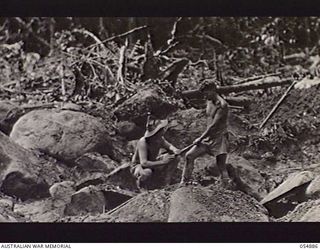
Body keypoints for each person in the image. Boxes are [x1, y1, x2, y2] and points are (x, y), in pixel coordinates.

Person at [180, 80, 233, 187]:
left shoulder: (222, 105)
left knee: (221, 165)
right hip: (207, 137)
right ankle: (184, 182)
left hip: (219, 138)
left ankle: (227, 188)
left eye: (206, 93)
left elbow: (214, 125)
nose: (205, 96)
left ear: (213, 90)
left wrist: (200, 138)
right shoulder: (209, 101)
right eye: (203, 94)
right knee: (189, 156)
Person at [131, 119, 180, 191]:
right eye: (162, 129)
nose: (164, 130)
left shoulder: (159, 139)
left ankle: (165, 182)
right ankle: (142, 187)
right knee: (147, 173)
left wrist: (175, 150)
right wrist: (163, 162)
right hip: (139, 166)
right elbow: (144, 163)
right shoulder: (143, 142)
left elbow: (169, 146)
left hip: (153, 162)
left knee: (175, 158)